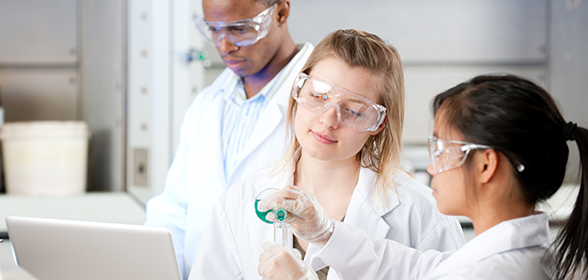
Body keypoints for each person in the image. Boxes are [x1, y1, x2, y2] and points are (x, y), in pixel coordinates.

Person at [189, 29, 466, 280]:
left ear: (378, 123)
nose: (329, 120)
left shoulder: (421, 213)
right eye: (319, 96)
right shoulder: (239, 201)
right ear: (298, 90)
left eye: (355, 111)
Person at [257, 74, 588, 279]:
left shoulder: (492, 272)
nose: (431, 167)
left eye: (442, 150)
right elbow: (417, 269)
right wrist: (326, 231)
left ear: (487, 165)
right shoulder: (501, 257)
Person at [143, 0, 314, 278]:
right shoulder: (206, 105)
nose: (224, 46)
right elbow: (176, 209)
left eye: (240, 29)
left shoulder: (323, 108)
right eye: (214, 29)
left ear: (281, 12)